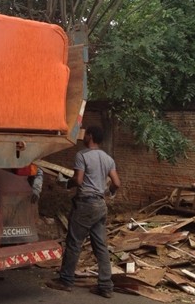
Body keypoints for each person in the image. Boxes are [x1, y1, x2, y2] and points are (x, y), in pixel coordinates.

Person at [46, 126, 121, 299]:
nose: (84, 135)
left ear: (91, 136)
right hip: (100, 205)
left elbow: (78, 180)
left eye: (86, 133)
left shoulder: (82, 155)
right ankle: (106, 286)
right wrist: (110, 193)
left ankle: (65, 281)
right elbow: (116, 182)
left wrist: (66, 183)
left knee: (74, 243)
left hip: (85, 205)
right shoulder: (108, 158)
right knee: (101, 247)